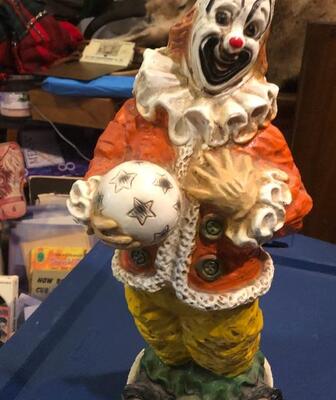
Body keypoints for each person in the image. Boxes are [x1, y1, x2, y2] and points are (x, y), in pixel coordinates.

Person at [68, 0, 312, 398]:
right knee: (162, 339)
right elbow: (105, 163)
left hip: (221, 285)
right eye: (222, 18)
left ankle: (233, 384)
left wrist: (249, 200)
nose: (235, 40)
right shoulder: (143, 112)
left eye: (252, 30)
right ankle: (162, 377)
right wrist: (100, 208)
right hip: (147, 274)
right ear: (189, 27)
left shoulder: (256, 132)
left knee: (224, 350)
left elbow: (297, 206)